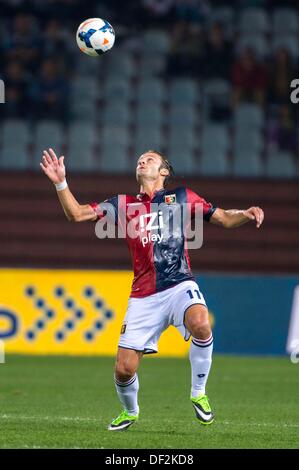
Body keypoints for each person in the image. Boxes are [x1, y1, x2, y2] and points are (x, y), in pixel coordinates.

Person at [40, 148, 264, 431]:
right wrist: (61, 182)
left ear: (164, 172)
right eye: (140, 159)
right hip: (143, 295)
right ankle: (130, 411)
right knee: (124, 369)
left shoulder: (182, 197)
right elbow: (76, 214)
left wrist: (245, 212)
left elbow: (224, 218)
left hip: (179, 283)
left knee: (201, 323)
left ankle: (198, 393)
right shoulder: (123, 204)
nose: (142, 160)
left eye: (150, 158)